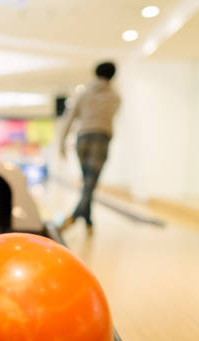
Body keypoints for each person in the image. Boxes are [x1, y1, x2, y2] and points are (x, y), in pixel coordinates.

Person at [58, 61, 121, 235]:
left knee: (88, 182)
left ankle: (87, 219)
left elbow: (69, 118)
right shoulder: (115, 97)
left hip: (83, 138)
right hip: (101, 139)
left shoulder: (84, 94)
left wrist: (61, 143)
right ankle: (75, 216)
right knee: (90, 182)